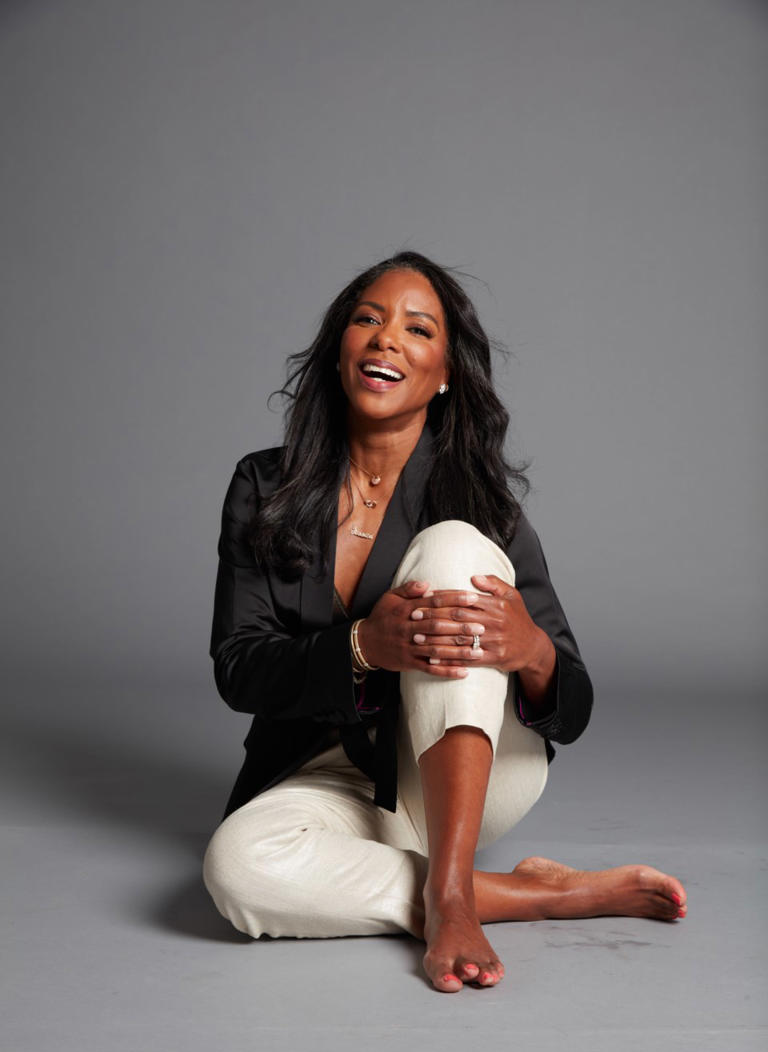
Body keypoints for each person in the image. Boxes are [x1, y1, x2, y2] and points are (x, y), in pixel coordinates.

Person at [203, 251, 687, 993]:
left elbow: (575, 705)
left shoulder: (483, 503)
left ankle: (454, 891)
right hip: (326, 777)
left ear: (445, 374)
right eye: (368, 319)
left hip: (459, 775)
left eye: (417, 329)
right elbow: (239, 666)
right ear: (340, 349)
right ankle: (531, 893)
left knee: (454, 547)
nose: (386, 338)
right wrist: (363, 646)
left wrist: (532, 651)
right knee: (236, 869)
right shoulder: (264, 484)